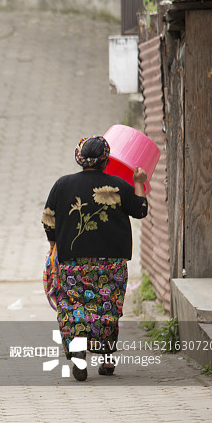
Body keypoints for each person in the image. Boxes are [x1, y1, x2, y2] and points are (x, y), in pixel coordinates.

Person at [42, 135, 148, 381]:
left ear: (79, 158)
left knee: (74, 307)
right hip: (111, 263)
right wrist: (138, 182)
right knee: (107, 307)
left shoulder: (62, 185)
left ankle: (79, 355)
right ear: (106, 160)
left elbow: (48, 219)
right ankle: (107, 360)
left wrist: (54, 245)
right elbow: (140, 210)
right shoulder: (119, 186)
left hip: (73, 261)